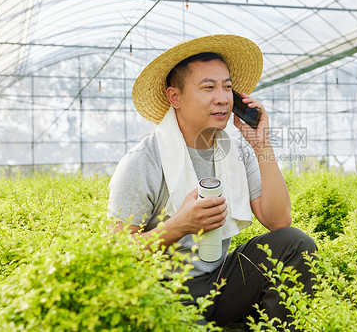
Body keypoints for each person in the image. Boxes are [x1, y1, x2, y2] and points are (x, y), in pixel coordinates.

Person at [107, 34, 316, 328]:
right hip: (165, 289)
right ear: (174, 97)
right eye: (208, 87)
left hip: (220, 279)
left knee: (295, 243)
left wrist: (262, 145)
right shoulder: (142, 161)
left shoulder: (237, 148)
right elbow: (116, 255)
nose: (222, 97)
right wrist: (179, 226)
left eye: (227, 87)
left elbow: (279, 220)